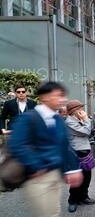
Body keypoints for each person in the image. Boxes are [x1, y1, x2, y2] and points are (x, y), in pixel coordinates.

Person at [8, 82, 82, 217]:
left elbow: (65, 146)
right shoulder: (28, 118)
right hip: (38, 178)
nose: (63, 99)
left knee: (54, 211)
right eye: (58, 95)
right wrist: (36, 166)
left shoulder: (58, 119)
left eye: (63, 96)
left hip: (56, 175)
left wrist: (74, 169)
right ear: (44, 97)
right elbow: (17, 145)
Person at [65, 100, 95, 213]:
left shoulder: (78, 119)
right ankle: (72, 200)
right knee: (77, 179)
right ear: (74, 111)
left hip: (85, 151)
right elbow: (85, 132)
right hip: (75, 153)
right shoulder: (69, 122)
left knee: (87, 177)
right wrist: (86, 119)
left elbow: (88, 131)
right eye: (81, 109)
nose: (83, 111)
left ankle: (83, 197)